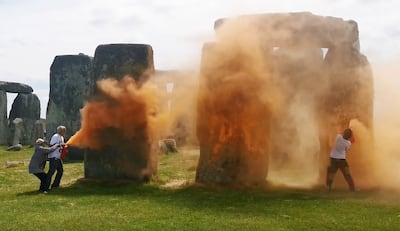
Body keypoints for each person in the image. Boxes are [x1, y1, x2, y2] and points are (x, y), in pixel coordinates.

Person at [46, 125, 66, 191]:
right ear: (60, 131)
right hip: (54, 157)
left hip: (58, 157)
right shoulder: (55, 136)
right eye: (64, 130)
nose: (65, 132)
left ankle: (55, 185)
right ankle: (46, 186)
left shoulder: (62, 137)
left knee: (60, 171)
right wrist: (60, 145)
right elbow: (51, 146)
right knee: (51, 172)